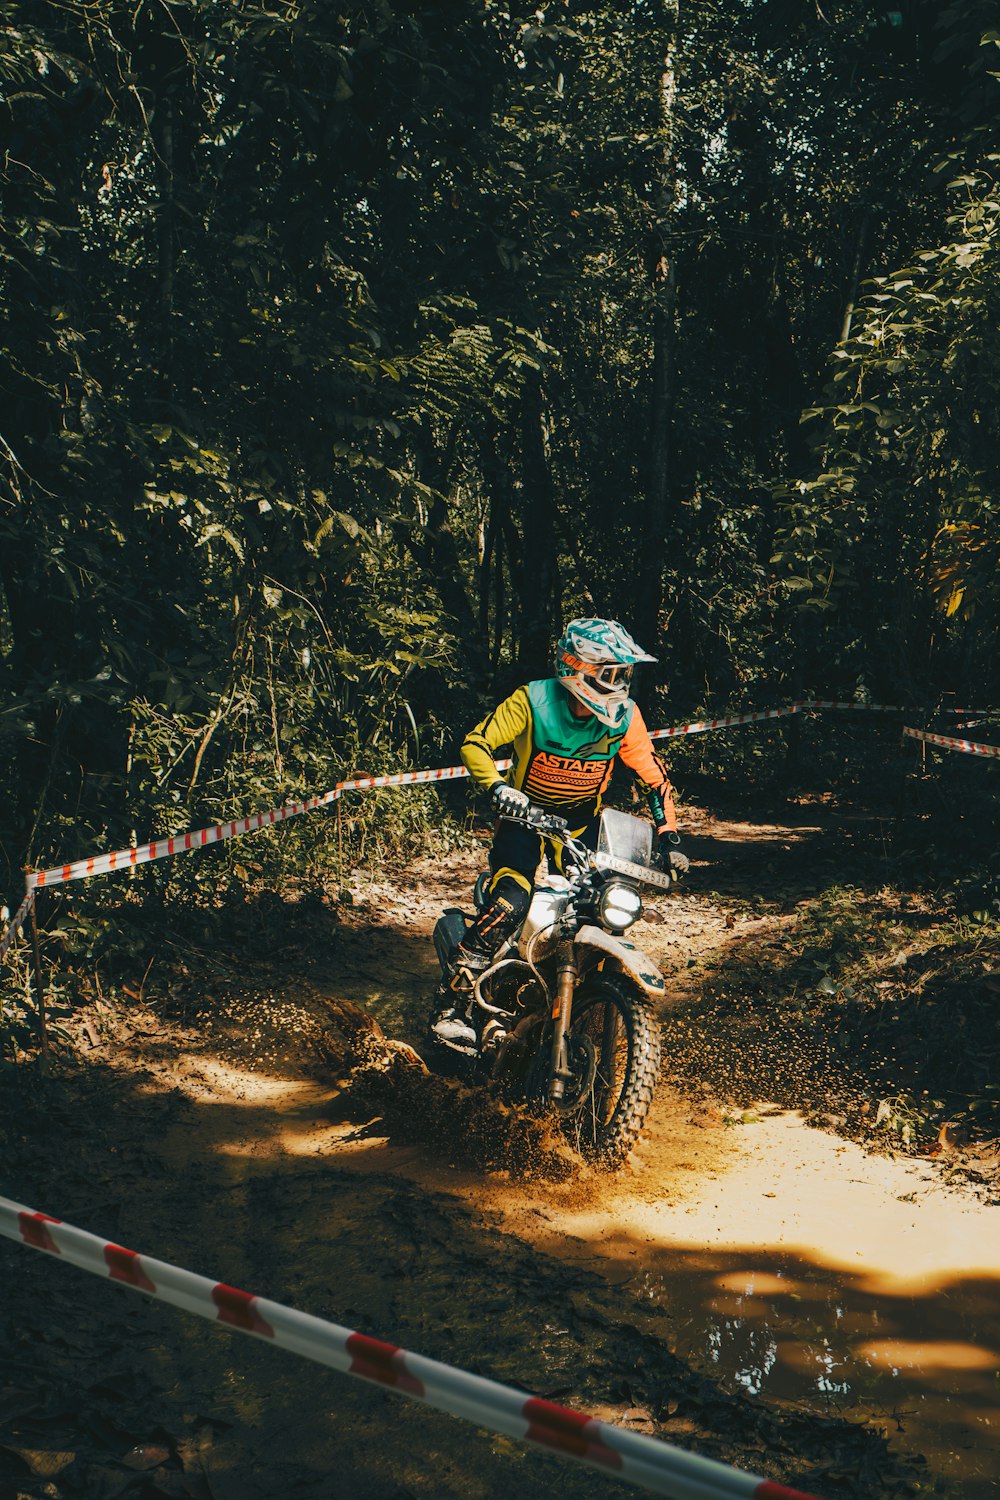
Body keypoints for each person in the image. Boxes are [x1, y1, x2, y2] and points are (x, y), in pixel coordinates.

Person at [432, 617, 689, 1047]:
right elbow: (476, 744)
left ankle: (584, 1002)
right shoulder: (532, 701)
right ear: (578, 669)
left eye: (623, 675)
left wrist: (670, 837)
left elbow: (653, 776)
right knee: (511, 902)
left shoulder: (624, 716)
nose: (619, 684)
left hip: (583, 827)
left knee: (602, 910)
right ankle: (453, 1003)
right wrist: (497, 788)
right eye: (611, 674)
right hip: (523, 821)